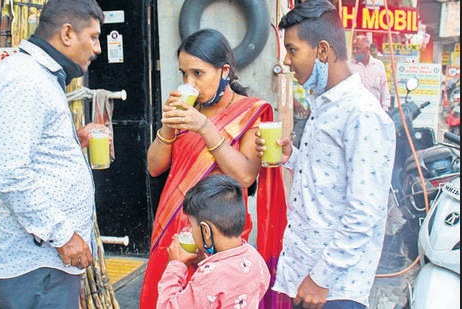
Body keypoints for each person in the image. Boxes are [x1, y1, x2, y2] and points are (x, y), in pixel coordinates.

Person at [256, 0, 396, 308]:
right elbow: (326, 178)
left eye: (292, 50)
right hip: (306, 275)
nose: (287, 61)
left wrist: (321, 278)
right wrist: (290, 157)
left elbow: (364, 213)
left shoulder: (363, 115)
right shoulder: (325, 105)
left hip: (334, 290)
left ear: (322, 51)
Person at [142, 28, 288, 308]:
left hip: (220, 239)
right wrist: (168, 125)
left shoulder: (249, 111)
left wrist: (205, 127)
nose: (189, 82)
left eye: (198, 73)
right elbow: (154, 167)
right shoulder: (187, 111)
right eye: (184, 73)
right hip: (176, 228)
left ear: (224, 71)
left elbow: (245, 176)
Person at [0, 1, 105, 308]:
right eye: (94, 37)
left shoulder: (38, 76)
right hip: (37, 266)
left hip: (45, 265)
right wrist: (62, 236)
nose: (98, 48)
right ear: (66, 34)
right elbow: (11, 173)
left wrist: (71, 140)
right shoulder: (26, 81)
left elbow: (25, 151)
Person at [157, 174, 271, 308]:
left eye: (192, 226)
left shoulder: (209, 278)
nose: (190, 231)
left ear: (205, 231)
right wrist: (203, 260)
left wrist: (175, 266)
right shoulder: (254, 257)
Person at [350, 35, 391, 112]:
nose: (354, 51)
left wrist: (385, 108)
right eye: (353, 48)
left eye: (357, 49)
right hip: (355, 112)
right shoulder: (349, 66)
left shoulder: (378, 65)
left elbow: (384, 87)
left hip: (374, 111)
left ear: (367, 49)